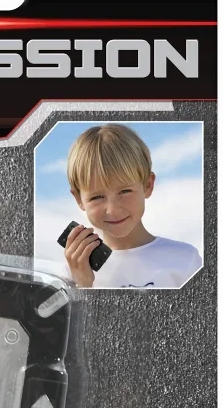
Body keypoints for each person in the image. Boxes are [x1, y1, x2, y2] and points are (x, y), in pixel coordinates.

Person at [62, 124, 202, 289]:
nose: (113, 210)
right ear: (78, 199)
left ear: (147, 185)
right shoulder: (75, 268)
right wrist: (82, 285)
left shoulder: (186, 261)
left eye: (125, 191)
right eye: (97, 197)